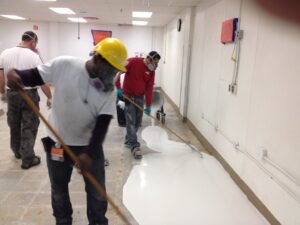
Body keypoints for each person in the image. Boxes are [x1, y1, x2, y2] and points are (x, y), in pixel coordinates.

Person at [7, 37, 127, 225]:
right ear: (98, 60)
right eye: (111, 69)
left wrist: (89, 153)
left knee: (97, 192)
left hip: (90, 146)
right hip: (58, 144)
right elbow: (31, 76)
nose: (113, 75)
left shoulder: (108, 91)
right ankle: (63, 221)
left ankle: (97, 222)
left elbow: (101, 126)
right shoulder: (64, 65)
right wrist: (14, 74)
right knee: (59, 188)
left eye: (116, 71)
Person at [0, 31, 52, 169]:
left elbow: (1, 75)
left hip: (12, 93)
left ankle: (17, 152)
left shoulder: (5, 53)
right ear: (33, 41)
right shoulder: (34, 56)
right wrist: (50, 97)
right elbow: (42, 80)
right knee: (29, 125)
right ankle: (28, 158)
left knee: (14, 123)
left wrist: (2, 93)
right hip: (29, 94)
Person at [115, 51, 161, 159]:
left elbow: (149, 89)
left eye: (157, 64)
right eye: (154, 63)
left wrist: (148, 105)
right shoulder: (132, 61)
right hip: (128, 97)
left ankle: (128, 140)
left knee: (137, 123)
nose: (155, 66)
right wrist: (118, 87)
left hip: (140, 98)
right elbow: (118, 72)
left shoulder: (151, 72)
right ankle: (135, 146)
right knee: (131, 122)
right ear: (149, 59)